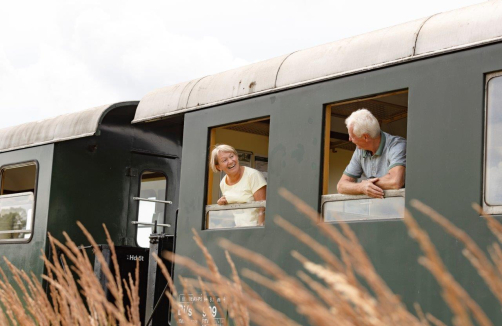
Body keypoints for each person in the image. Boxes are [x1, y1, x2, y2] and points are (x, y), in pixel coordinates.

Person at [337, 108, 406, 198]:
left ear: (365, 137)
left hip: (401, 209)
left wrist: (366, 184)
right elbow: (341, 186)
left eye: (351, 136)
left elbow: (395, 181)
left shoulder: (397, 145)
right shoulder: (359, 150)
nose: (349, 139)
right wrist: (361, 187)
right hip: (374, 209)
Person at [209, 144, 267, 226]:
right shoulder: (223, 183)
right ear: (218, 167)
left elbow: (263, 208)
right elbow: (232, 212)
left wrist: (261, 232)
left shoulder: (253, 175)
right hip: (237, 230)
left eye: (232, 156)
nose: (230, 161)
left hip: (255, 230)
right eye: (224, 160)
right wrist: (222, 204)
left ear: (237, 156)